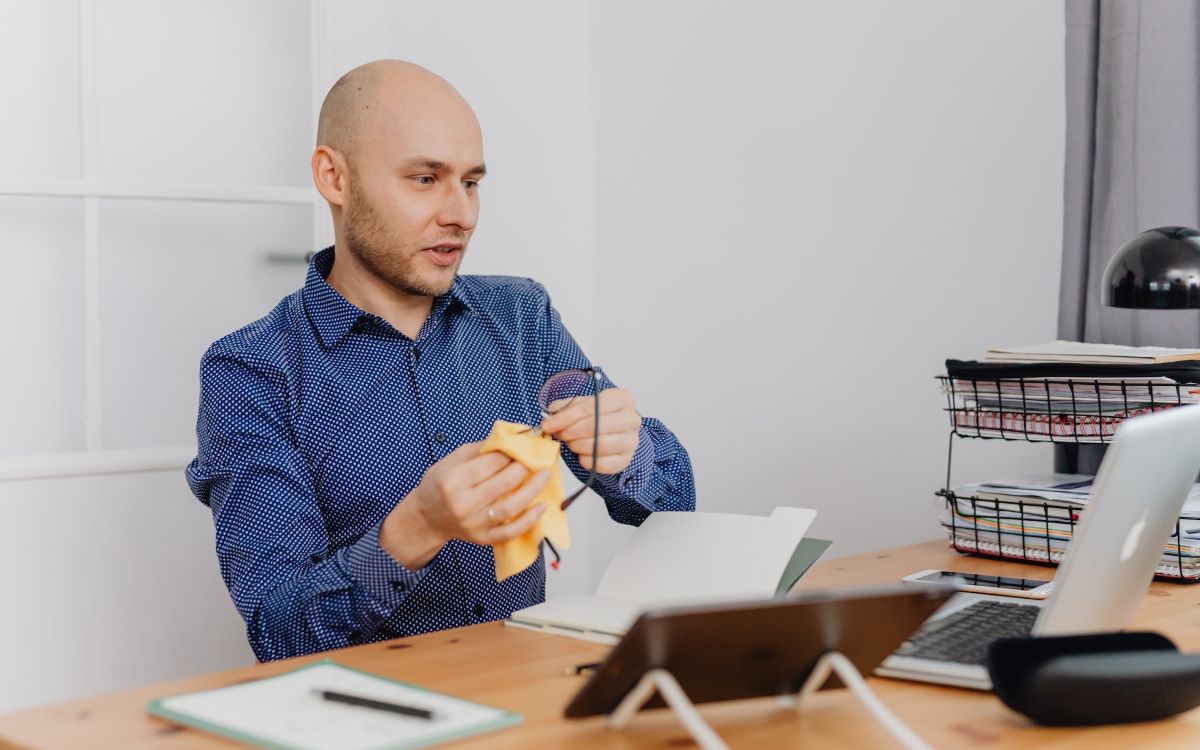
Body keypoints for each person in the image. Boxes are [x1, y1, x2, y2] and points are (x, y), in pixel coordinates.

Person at [186, 60, 695, 661]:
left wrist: (627, 454)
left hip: (525, 695)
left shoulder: (520, 316)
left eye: (471, 182)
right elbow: (279, 630)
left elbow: (673, 504)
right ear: (334, 178)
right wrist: (417, 528)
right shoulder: (251, 371)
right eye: (425, 179)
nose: (462, 215)